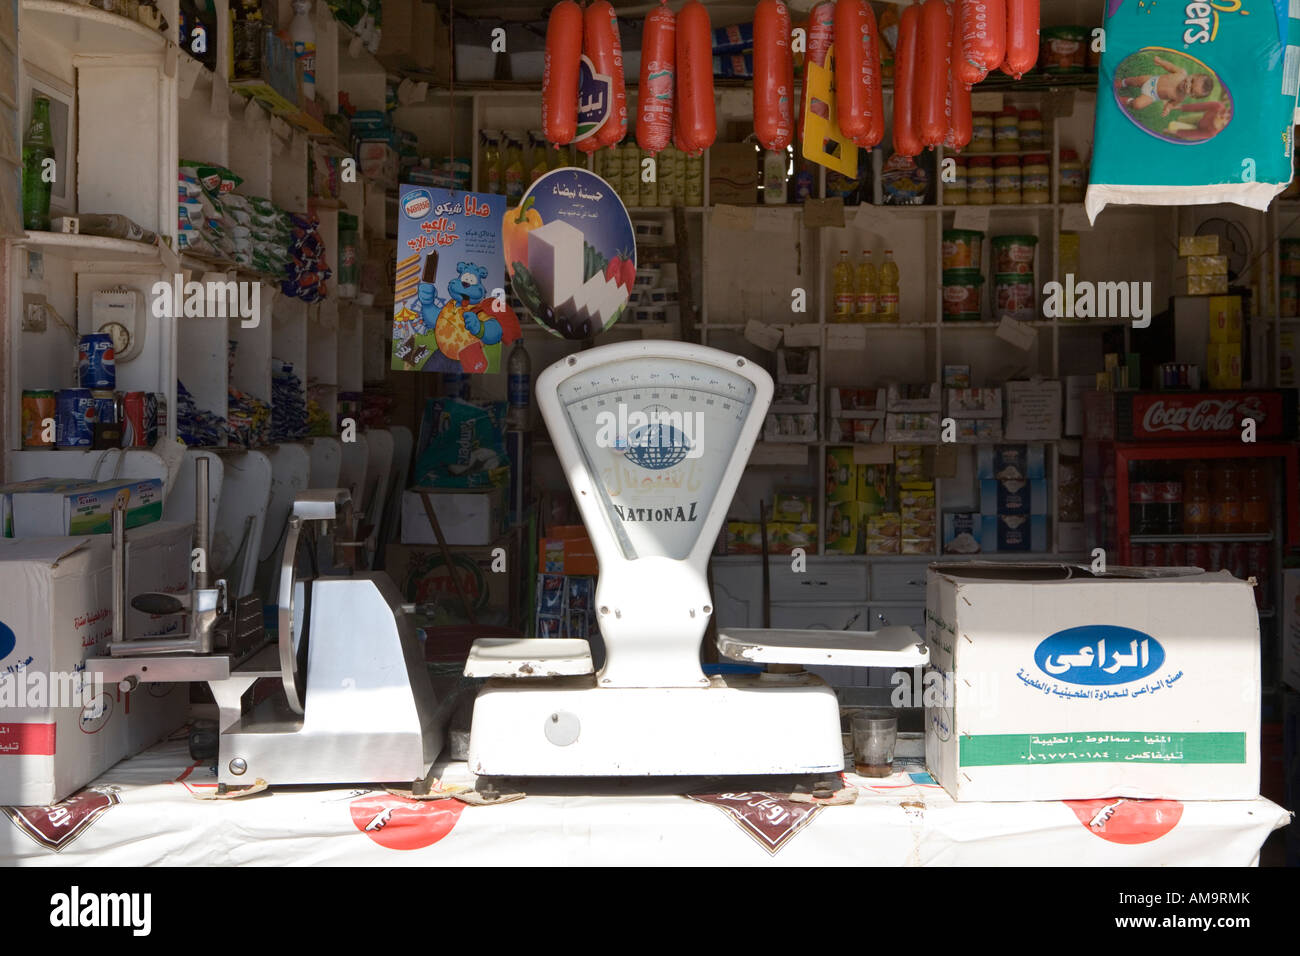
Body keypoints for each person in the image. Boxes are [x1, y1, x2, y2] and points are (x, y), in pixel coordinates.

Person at [1117, 54, 1215, 117]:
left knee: (1137, 104)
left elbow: (1172, 104)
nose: (1188, 85)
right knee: (1137, 80)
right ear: (1193, 75)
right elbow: (1170, 67)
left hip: (1152, 95)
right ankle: (1123, 82)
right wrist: (1161, 62)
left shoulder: (1180, 97)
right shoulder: (1181, 73)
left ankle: (1128, 101)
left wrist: (1168, 108)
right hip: (1152, 81)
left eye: (1191, 89)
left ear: (1192, 96)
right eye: (1192, 81)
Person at [1165, 99, 1231, 141]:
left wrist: (1172, 131)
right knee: (1181, 120)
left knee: (1181, 137)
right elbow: (1197, 106)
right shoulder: (1218, 106)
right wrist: (1176, 107)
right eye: (1228, 111)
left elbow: (1192, 134)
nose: (1224, 114)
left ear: (1225, 125)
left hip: (1201, 131)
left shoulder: (1211, 133)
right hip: (1201, 119)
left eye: (1227, 118)